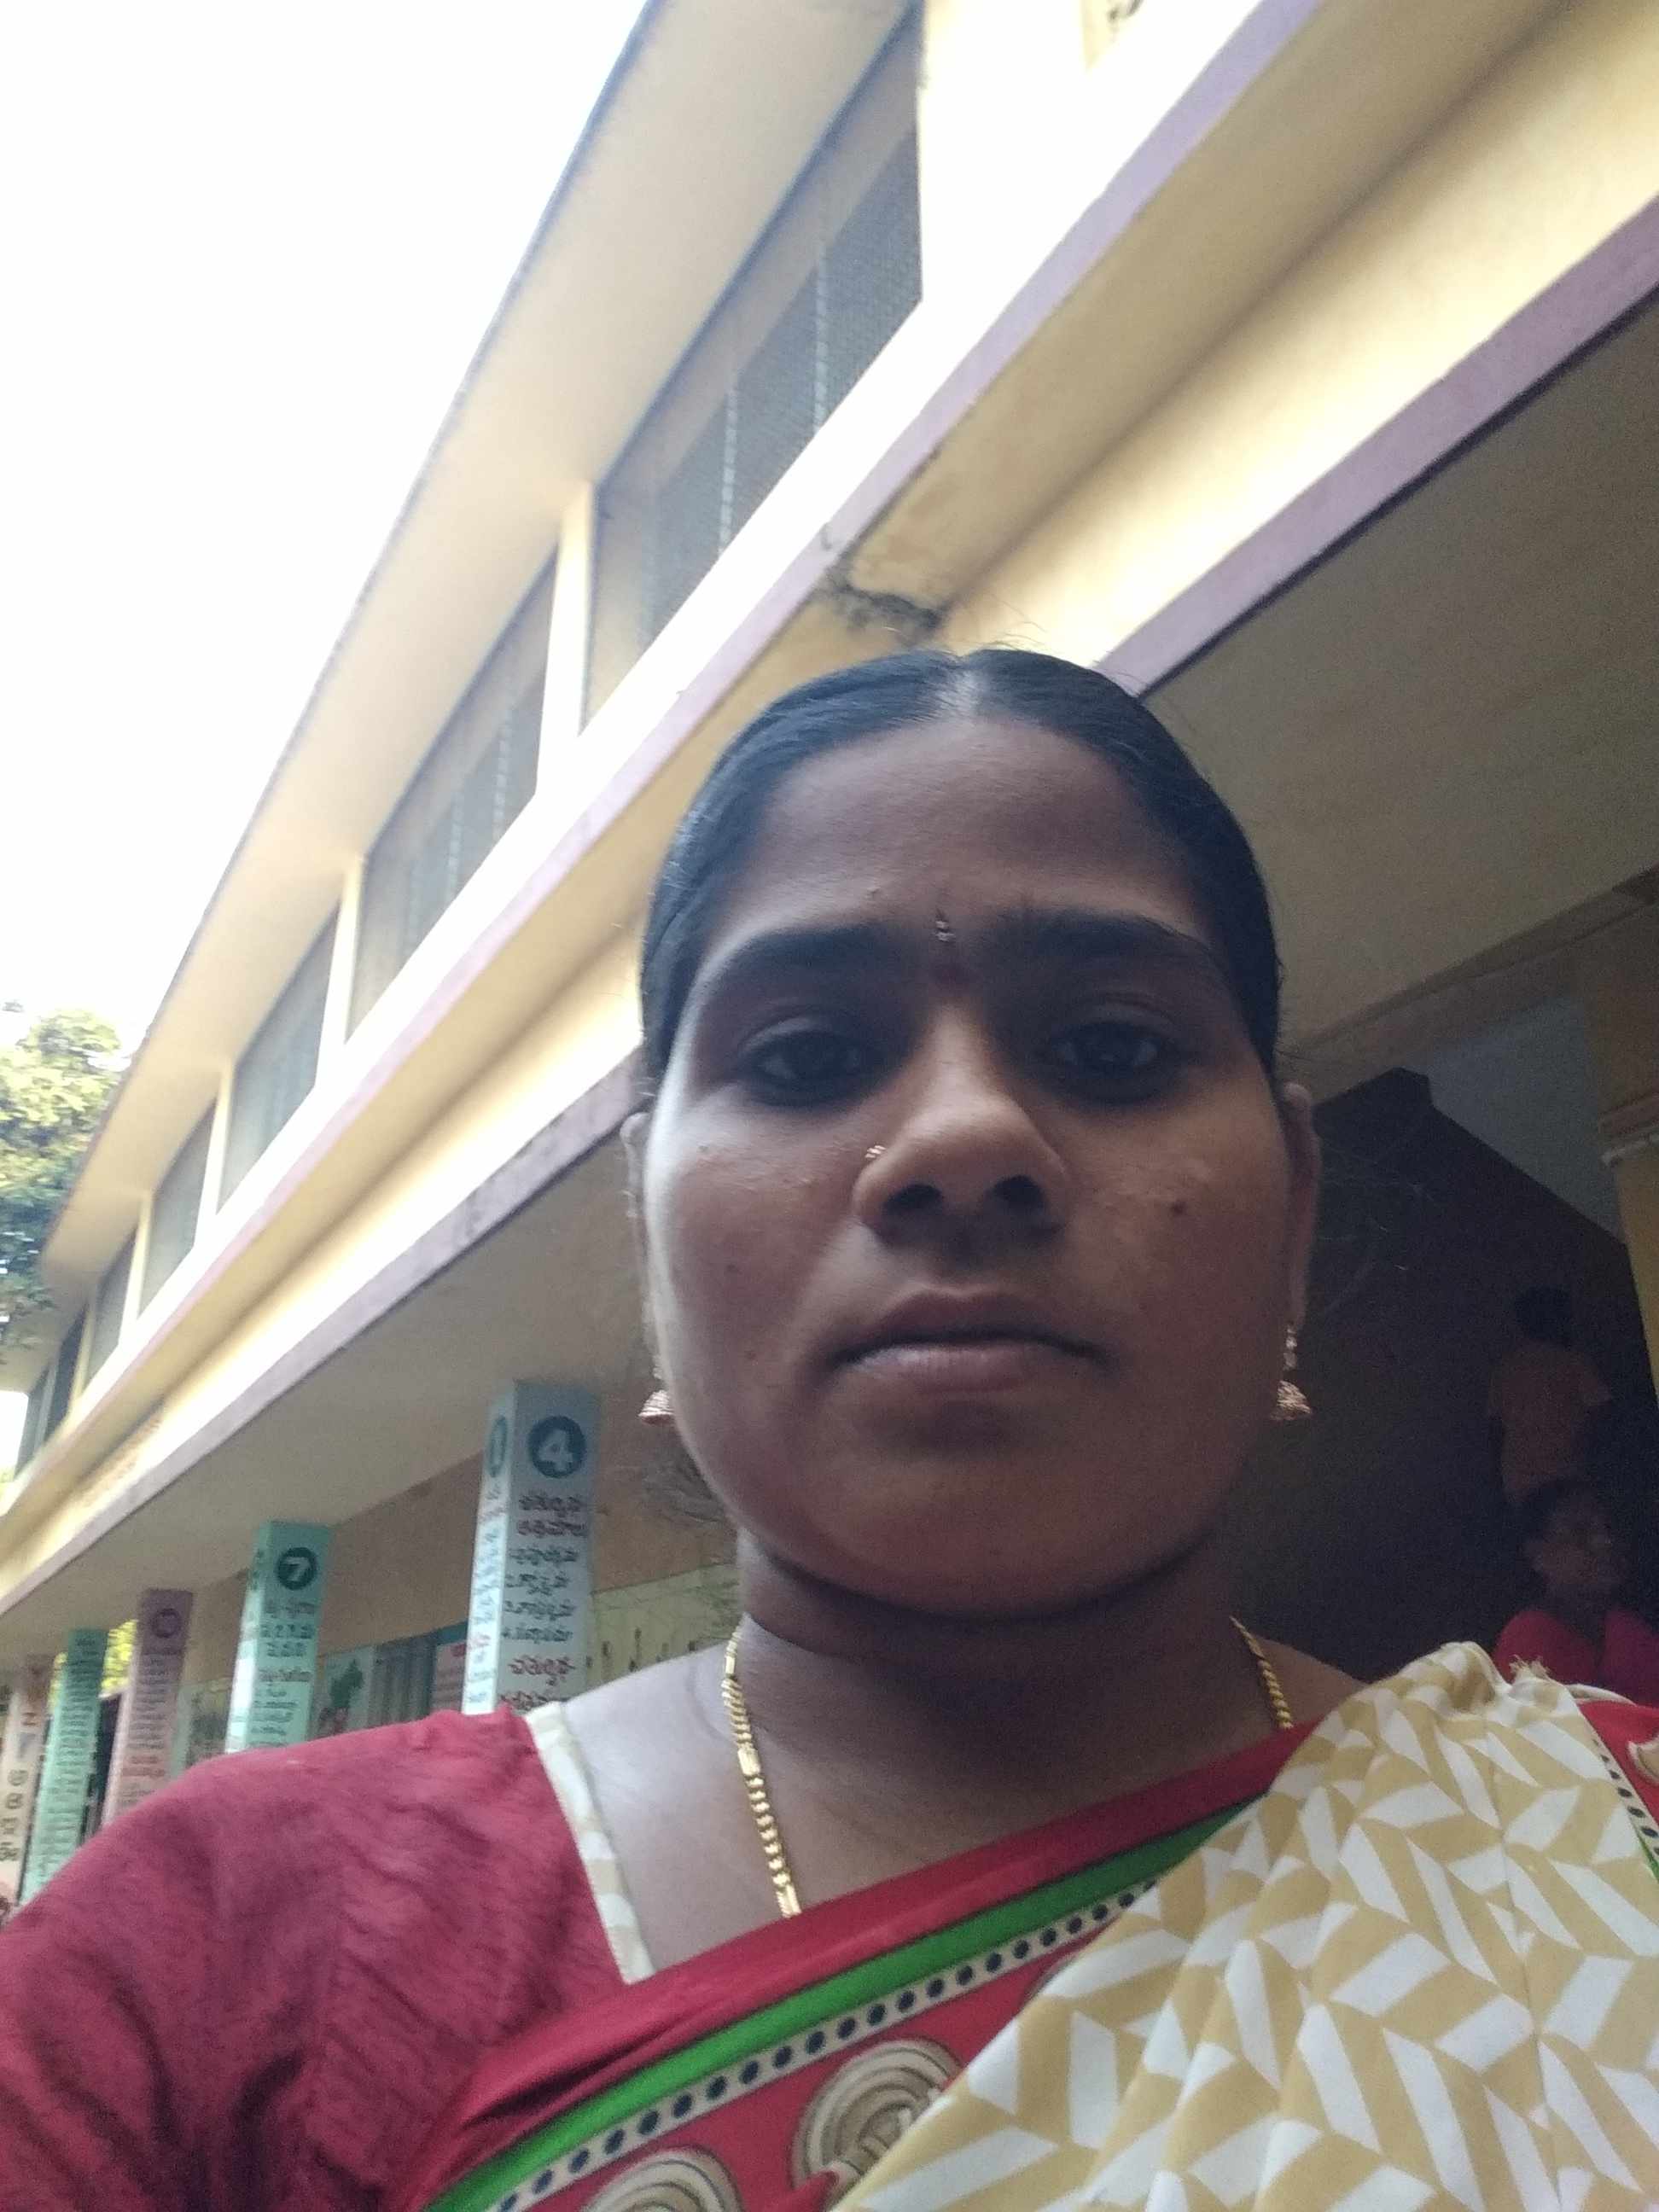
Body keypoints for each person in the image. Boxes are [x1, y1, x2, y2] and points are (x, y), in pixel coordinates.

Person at [3, 650, 1656, 2212]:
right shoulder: (218, 1955)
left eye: (1110, 1047)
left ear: (1292, 1213)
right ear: (647, 1234)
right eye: (804, 1056)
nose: (964, 1136)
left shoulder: (1603, 1845)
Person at [1493, 1477, 1659, 1702]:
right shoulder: (1526, 1639)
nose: (1605, 1542)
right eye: (1581, 1533)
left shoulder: (1630, 1632)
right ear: (1538, 1555)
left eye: (1608, 1529)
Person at [1487, 1284, 1610, 1507]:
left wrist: (1497, 1474)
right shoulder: (1573, 1362)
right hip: (1566, 1470)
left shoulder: (1505, 1369)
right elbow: (1601, 1413)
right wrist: (1590, 1455)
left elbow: (1495, 1428)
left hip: (1519, 1475)